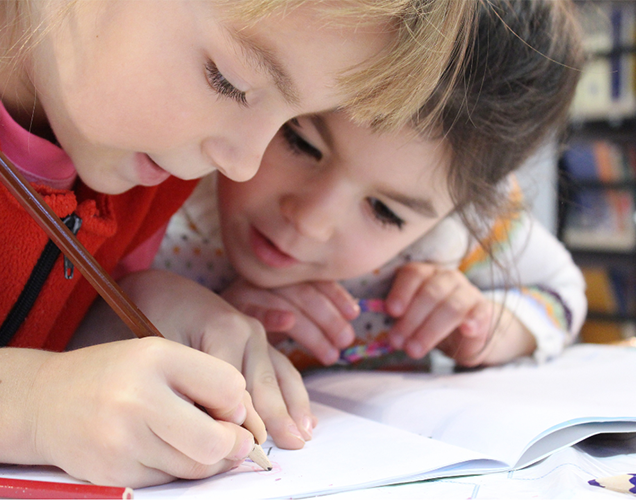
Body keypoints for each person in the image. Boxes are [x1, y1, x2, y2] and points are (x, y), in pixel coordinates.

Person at [0, 0, 477, 489]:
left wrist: (133, 311)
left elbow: (21, 328)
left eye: (291, 120)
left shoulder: (148, 167)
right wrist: (25, 408)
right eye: (231, 81)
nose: (245, 164)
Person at [150, 0, 588, 373]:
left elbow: (563, 291)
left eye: (385, 212)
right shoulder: (162, 174)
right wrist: (185, 318)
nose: (311, 221)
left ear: (461, 210)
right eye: (300, 142)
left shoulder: (464, 234)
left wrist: (491, 327)